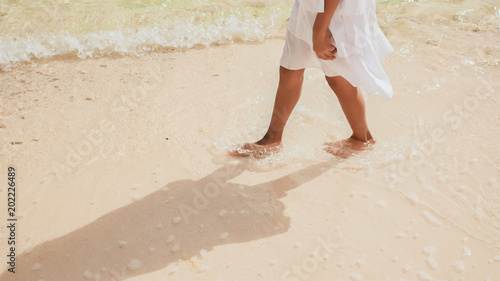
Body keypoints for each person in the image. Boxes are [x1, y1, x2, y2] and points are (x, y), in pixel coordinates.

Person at [230, 0, 394, 158]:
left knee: (338, 77)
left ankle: (362, 138)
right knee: (291, 67)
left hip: (332, 14)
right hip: (309, 7)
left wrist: (320, 29)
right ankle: (272, 139)